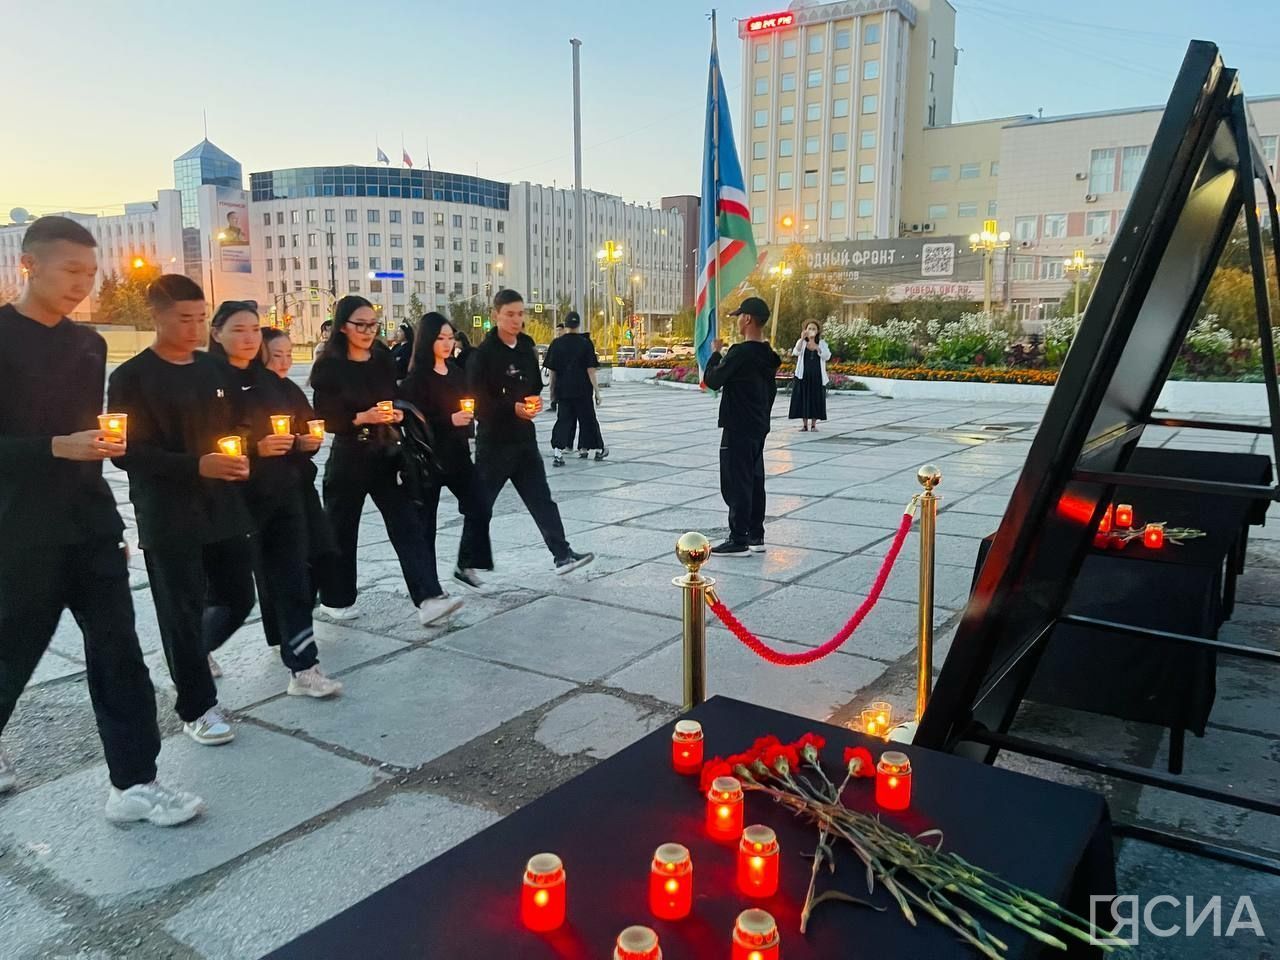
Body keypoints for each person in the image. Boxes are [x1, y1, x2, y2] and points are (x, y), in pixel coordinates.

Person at [0, 217, 203, 824]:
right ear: (29, 265)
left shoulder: (88, 344)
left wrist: (104, 462)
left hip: (90, 525)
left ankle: (135, 783)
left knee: (119, 653)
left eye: (91, 273)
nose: (82, 284)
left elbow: (91, 434)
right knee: (11, 655)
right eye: (70, 270)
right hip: (18, 531)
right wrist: (53, 447)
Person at [109, 274, 256, 746]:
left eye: (200, 318)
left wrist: (240, 450)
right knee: (181, 610)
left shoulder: (213, 369)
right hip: (168, 514)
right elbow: (127, 453)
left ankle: (185, 658)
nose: (194, 328)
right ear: (156, 316)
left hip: (222, 505)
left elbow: (236, 422)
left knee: (238, 597)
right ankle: (197, 706)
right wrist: (197, 465)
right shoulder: (131, 377)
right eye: (184, 319)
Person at [208, 305, 342, 698]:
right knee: (231, 595)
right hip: (232, 501)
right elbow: (203, 439)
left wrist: (302, 442)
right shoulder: (207, 381)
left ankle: (304, 668)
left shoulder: (270, 383)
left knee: (294, 581)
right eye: (239, 330)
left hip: (282, 495)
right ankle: (190, 652)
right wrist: (255, 448)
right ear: (216, 333)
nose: (249, 338)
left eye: (254, 329)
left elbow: (296, 424)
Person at [309, 296, 461, 626]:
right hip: (349, 456)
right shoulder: (329, 365)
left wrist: (397, 412)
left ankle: (428, 597)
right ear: (343, 326)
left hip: (386, 453)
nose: (368, 331)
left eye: (373, 325)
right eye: (360, 325)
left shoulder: (381, 358)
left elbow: (394, 394)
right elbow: (324, 416)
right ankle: (336, 599)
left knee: (407, 524)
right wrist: (362, 416)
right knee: (340, 530)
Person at [469, 289, 593, 574]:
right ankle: (467, 562)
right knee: (482, 504)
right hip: (494, 442)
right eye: (509, 314)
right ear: (495, 315)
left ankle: (562, 555)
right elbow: (479, 401)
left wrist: (533, 400)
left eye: (520, 314)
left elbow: (534, 384)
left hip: (523, 438)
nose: (516, 320)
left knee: (541, 499)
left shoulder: (526, 347)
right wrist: (511, 407)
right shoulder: (484, 354)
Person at [399, 313, 493, 591]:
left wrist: (470, 416)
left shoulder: (456, 373)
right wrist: (449, 420)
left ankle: (466, 563)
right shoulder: (416, 379)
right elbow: (414, 421)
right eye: (440, 338)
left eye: (450, 338)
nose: (447, 343)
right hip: (428, 459)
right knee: (425, 525)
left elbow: (468, 403)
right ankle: (429, 587)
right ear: (427, 340)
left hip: (458, 456)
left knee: (480, 505)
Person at [704, 296, 781, 558]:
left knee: (736, 481)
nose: (737, 321)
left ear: (747, 319)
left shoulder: (740, 353)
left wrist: (715, 353)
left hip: (737, 424)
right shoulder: (768, 356)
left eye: (739, 317)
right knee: (755, 479)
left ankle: (738, 538)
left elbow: (713, 380)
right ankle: (756, 534)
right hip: (758, 425)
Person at [543, 312, 607, 466]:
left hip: (563, 390)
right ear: (578, 325)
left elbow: (552, 372)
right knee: (588, 420)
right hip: (583, 390)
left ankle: (558, 452)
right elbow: (590, 370)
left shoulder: (556, 344)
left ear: (565, 325)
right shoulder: (586, 343)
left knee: (563, 420)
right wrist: (597, 392)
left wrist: (552, 392)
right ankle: (593, 449)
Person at [789, 320, 831, 432]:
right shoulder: (802, 342)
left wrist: (817, 348)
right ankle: (804, 425)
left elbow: (827, 356)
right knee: (803, 399)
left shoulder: (822, 343)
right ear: (805, 330)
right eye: (809, 328)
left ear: (817, 331)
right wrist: (802, 339)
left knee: (815, 399)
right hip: (803, 376)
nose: (811, 331)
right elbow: (796, 352)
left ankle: (813, 425)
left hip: (817, 376)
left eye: (814, 329)